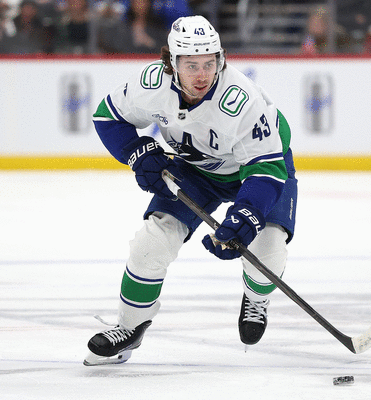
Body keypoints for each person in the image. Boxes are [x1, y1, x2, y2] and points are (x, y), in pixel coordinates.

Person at [84, 15, 297, 366]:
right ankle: (129, 327)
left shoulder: (241, 100)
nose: (202, 75)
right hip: (195, 170)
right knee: (152, 242)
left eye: (210, 64)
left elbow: (266, 169)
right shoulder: (152, 84)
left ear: (220, 59)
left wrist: (248, 213)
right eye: (191, 65)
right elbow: (108, 116)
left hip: (259, 170)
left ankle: (257, 297)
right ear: (171, 63)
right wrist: (137, 153)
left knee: (268, 248)